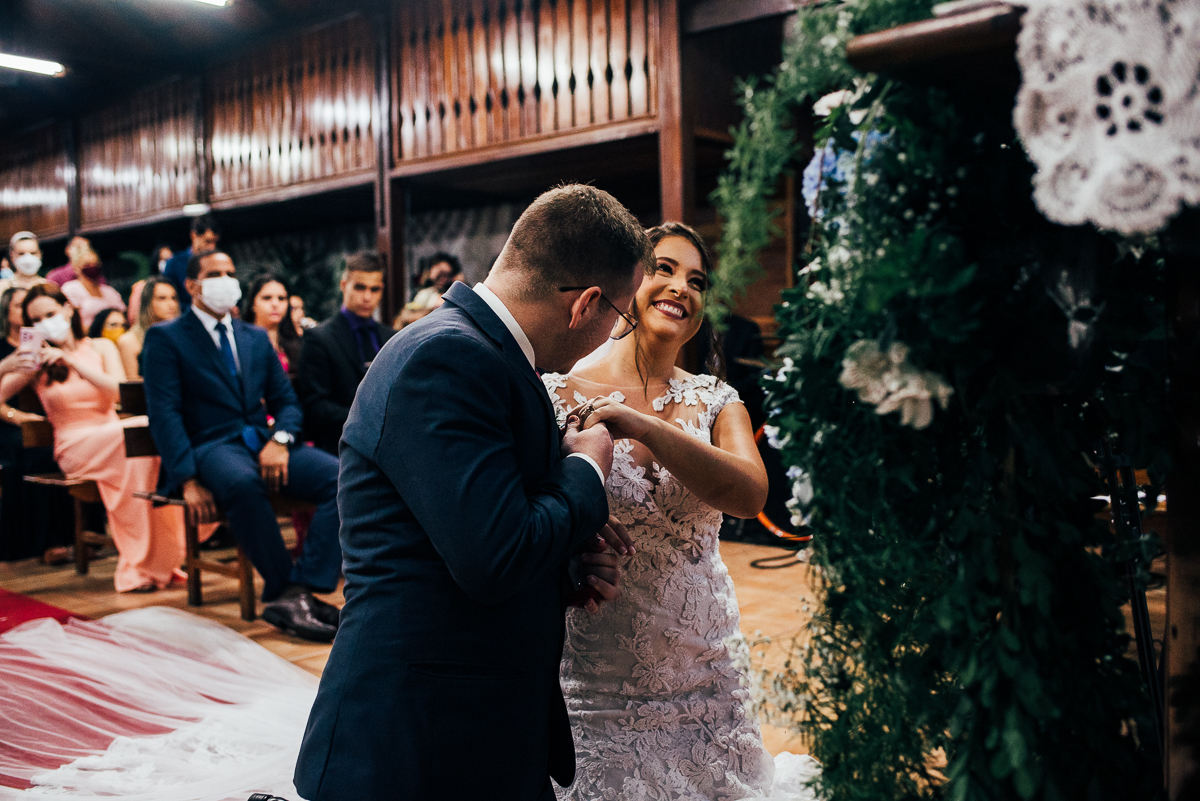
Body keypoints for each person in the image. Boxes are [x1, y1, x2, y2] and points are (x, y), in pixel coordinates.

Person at [295, 185, 647, 801]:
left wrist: (565, 561)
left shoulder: (483, 352)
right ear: (587, 303)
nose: (614, 334)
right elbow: (496, 556)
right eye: (622, 316)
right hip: (417, 740)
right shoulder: (449, 357)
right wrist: (585, 469)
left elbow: (460, 532)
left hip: (467, 722)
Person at [542, 222, 820, 799]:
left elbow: (750, 494)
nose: (681, 287)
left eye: (697, 280)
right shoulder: (556, 393)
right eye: (664, 269)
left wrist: (645, 427)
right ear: (629, 280)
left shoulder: (717, 400)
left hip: (707, 672)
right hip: (599, 677)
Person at [142, 249, 343, 642]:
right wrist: (187, 480)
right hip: (211, 445)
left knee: (340, 476)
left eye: (230, 272)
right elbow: (164, 414)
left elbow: (286, 401)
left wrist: (281, 439)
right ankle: (288, 591)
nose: (226, 280)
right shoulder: (167, 337)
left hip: (263, 442)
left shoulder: (254, 337)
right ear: (192, 286)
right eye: (215, 274)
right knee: (241, 483)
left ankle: (301, 588)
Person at [0, 284, 185, 592]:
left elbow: (119, 393)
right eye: (36, 320)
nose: (45, 323)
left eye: (50, 314)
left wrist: (72, 361)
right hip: (75, 444)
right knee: (137, 436)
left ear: (67, 309)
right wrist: (8, 365)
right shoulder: (37, 361)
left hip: (113, 433)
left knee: (140, 444)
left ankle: (148, 562)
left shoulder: (100, 347)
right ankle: (141, 562)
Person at [0, 286, 75, 562]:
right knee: (33, 453)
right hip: (11, 421)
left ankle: (79, 533)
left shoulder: (48, 343)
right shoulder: (10, 348)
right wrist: (18, 417)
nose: (26, 312)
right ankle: (44, 540)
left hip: (52, 419)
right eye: (19, 305)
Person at [294, 253, 394, 454]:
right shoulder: (320, 338)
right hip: (340, 445)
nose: (367, 297)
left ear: (381, 290)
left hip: (389, 445)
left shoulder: (391, 336)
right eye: (360, 287)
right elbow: (316, 405)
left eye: (374, 289)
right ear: (344, 285)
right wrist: (367, 421)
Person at [117, 276, 179, 379]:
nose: (171, 304)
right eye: (162, 298)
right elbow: (133, 384)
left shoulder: (182, 336)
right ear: (147, 302)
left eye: (174, 298)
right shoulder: (129, 341)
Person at [243, 273, 302, 377]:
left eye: (281, 298)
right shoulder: (240, 343)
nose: (275, 304)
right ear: (252, 303)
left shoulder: (298, 345)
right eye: (267, 298)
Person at [162, 215, 220, 312]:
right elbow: (168, 298)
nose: (212, 247)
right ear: (193, 235)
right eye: (207, 241)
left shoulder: (218, 263)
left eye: (214, 242)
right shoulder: (174, 263)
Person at [60, 248, 126, 330]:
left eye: (95, 264)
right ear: (76, 267)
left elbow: (122, 312)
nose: (92, 267)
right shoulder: (70, 289)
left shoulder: (109, 291)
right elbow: (71, 320)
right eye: (87, 265)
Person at [127, 245, 173, 327]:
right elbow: (133, 317)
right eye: (162, 298)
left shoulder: (177, 286)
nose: (171, 304)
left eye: (170, 259)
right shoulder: (142, 287)